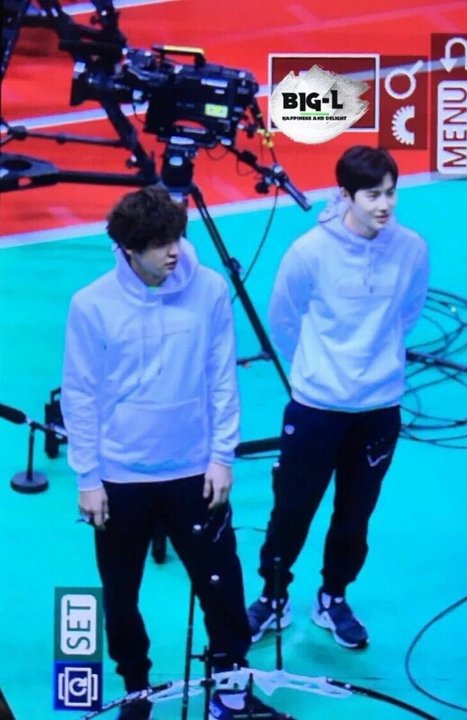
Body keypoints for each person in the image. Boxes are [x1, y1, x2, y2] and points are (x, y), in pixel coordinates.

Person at [61, 186, 295, 720]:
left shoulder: (209, 289)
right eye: (160, 244)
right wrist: (88, 478)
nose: (174, 252)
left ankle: (230, 692)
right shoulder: (91, 305)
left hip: (193, 471)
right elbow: (80, 394)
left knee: (223, 588)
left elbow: (221, 376)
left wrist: (222, 456)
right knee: (121, 596)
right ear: (129, 249)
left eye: (177, 239)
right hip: (120, 478)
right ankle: (136, 689)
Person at [247, 146, 429, 650]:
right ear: (345, 195)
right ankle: (273, 597)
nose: (384, 204)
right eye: (372, 195)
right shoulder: (309, 252)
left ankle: (332, 597)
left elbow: (408, 313)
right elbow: (284, 320)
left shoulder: (412, 248)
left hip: (379, 407)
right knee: (292, 509)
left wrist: (377, 363)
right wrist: (319, 372)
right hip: (317, 407)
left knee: (355, 514)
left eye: (390, 192)